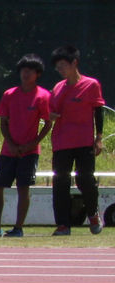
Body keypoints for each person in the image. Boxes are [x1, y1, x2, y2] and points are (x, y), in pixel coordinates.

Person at [0, 55, 52, 237]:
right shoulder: (9, 94)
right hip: (8, 150)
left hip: (29, 151)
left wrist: (31, 144)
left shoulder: (43, 96)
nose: (26, 73)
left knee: (23, 187)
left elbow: (48, 123)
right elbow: (3, 122)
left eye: (30, 70)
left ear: (37, 74)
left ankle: (18, 227)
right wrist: (11, 143)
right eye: (23, 70)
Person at [48, 45, 104, 235]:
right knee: (60, 181)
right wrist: (51, 115)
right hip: (61, 142)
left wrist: (98, 138)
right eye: (58, 67)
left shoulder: (91, 85)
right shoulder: (57, 88)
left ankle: (93, 214)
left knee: (85, 179)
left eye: (63, 65)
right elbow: (50, 112)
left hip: (83, 141)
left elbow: (98, 110)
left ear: (74, 63)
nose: (60, 70)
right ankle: (63, 224)